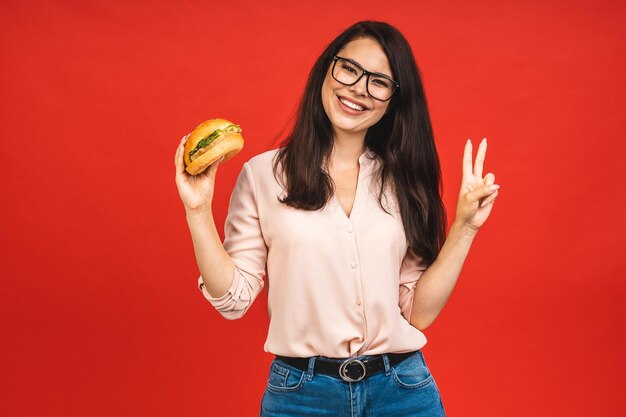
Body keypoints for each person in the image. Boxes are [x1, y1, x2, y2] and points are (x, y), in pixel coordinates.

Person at [175, 20, 499, 417]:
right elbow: (233, 300)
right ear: (326, 70)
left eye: (379, 81)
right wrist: (197, 211)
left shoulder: (405, 181)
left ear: (393, 100)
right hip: (301, 397)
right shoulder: (262, 175)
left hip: (402, 391)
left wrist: (464, 228)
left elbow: (418, 312)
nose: (359, 89)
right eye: (349, 68)